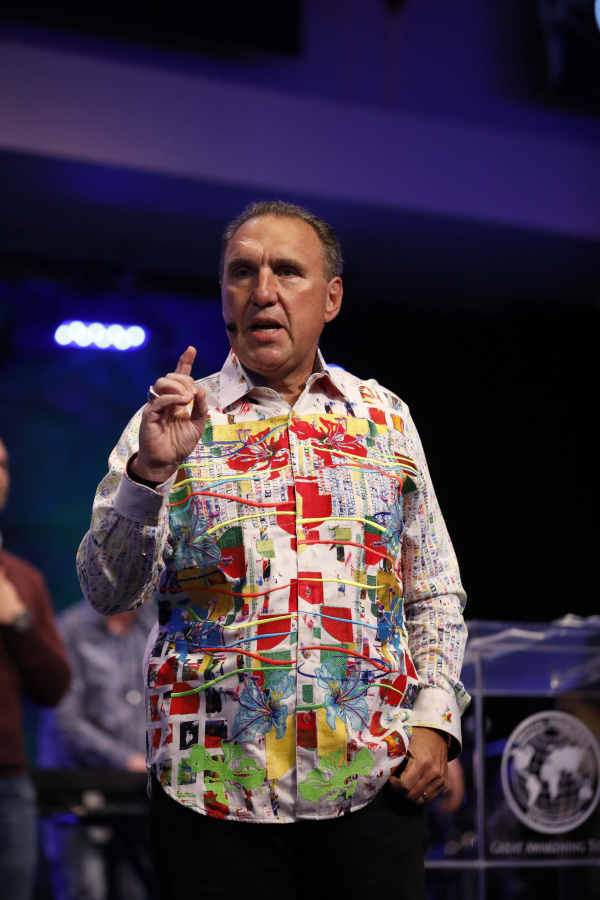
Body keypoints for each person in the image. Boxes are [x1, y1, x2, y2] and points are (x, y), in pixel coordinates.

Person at [77, 200, 470, 900]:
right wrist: (150, 475)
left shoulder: (384, 419)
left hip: (370, 786)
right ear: (224, 296)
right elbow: (107, 591)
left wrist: (436, 722)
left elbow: (432, 587)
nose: (263, 291)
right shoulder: (169, 421)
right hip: (211, 794)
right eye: (242, 272)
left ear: (331, 298)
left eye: (287, 271)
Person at [38, 600, 159, 900]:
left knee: (139, 889)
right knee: (86, 889)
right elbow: (66, 720)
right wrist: (125, 759)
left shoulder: (157, 625)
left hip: (139, 795)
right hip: (76, 793)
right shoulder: (70, 629)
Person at [0, 435, 71, 900]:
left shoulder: (23, 580)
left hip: (8, 783)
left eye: (3, 465)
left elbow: (54, 688)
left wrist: (18, 621)